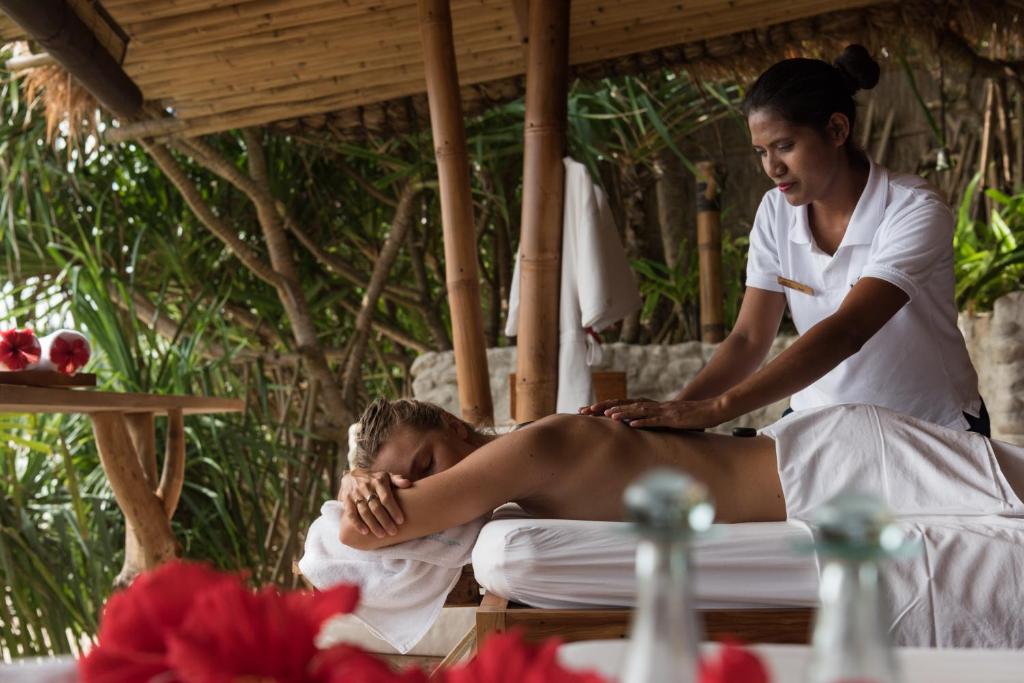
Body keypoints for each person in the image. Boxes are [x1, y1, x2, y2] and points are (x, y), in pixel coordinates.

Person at [580, 45, 987, 436]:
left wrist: (716, 409)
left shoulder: (913, 208)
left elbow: (849, 329)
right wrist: (677, 414)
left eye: (784, 146)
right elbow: (748, 339)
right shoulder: (776, 212)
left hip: (929, 425)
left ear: (836, 129)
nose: (772, 168)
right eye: (760, 152)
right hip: (819, 422)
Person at [336, 398, 1024, 548]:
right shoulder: (525, 456)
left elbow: (371, 533)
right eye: (403, 481)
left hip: (838, 461)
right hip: (821, 466)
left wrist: (360, 495)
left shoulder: (529, 447)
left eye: (422, 467)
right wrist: (361, 482)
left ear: (457, 425)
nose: (419, 487)